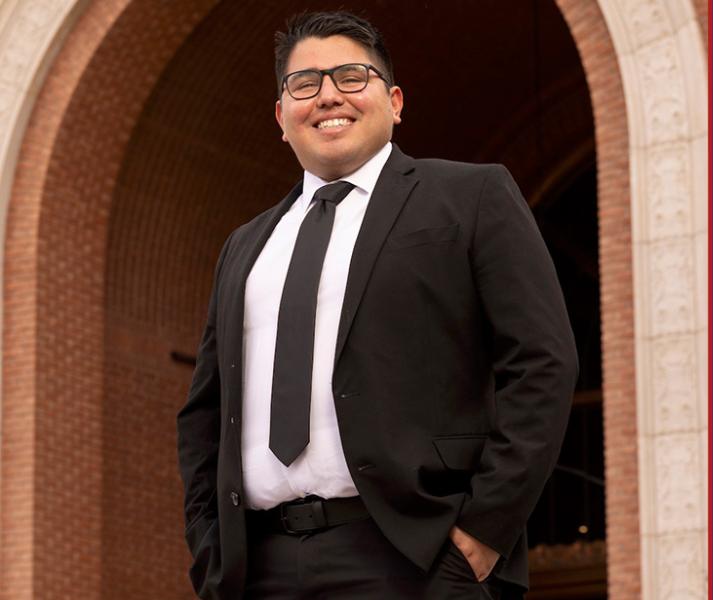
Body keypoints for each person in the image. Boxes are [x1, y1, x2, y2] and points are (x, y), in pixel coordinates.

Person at [176, 10, 577, 599]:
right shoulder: (246, 244)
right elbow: (205, 410)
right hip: (256, 569)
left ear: (394, 101)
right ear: (281, 118)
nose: (327, 96)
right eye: (304, 84)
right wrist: (208, 543)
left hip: (414, 559)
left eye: (351, 77)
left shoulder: (471, 197)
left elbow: (543, 362)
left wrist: (484, 529)